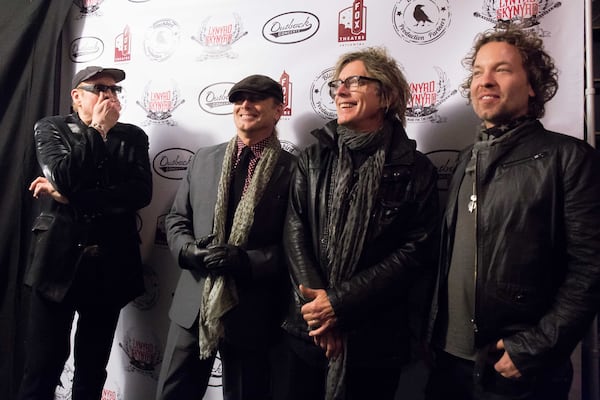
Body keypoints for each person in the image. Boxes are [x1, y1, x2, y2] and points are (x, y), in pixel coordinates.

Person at [425, 27, 600, 400]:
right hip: (447, 365)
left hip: (516, 371)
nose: (485, 80)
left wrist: (535, 347)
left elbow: (591, 267)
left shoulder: (568, 158)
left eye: (501, 69)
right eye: (477, 72)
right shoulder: (466, 160)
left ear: (532, 84)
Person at [274, 47, 440, 400]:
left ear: (387, 95)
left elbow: (416, 251)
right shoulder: (313, 157)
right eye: (337, 84)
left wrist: (340, 304)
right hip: (309, 333)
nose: (340, 91)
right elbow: (295, 230)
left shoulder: (416, 168)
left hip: (374, 339)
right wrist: (320, 313)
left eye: (355, 81)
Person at [155, 74, 295, 400]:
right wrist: (189, 251)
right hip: (194, 303)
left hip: (253, 308)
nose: (245, 105)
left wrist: (246, 261)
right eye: (239, 98)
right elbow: (177, 218)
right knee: (172, 393)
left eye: (257, 98)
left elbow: (295, 244)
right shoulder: (204, 158)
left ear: (278, 111)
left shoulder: (295, 169)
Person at [18, 66, 152, 400]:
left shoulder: (133, 136)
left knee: (92, 368)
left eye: (114, 90)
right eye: (99, 88)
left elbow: (138, 194)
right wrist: (97, 130)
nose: (109, 95)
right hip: (57, 263)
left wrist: (69, 197)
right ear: (77, 96)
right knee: (42, 366)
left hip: (110, 264)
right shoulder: (51, 128)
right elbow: (63, 174)